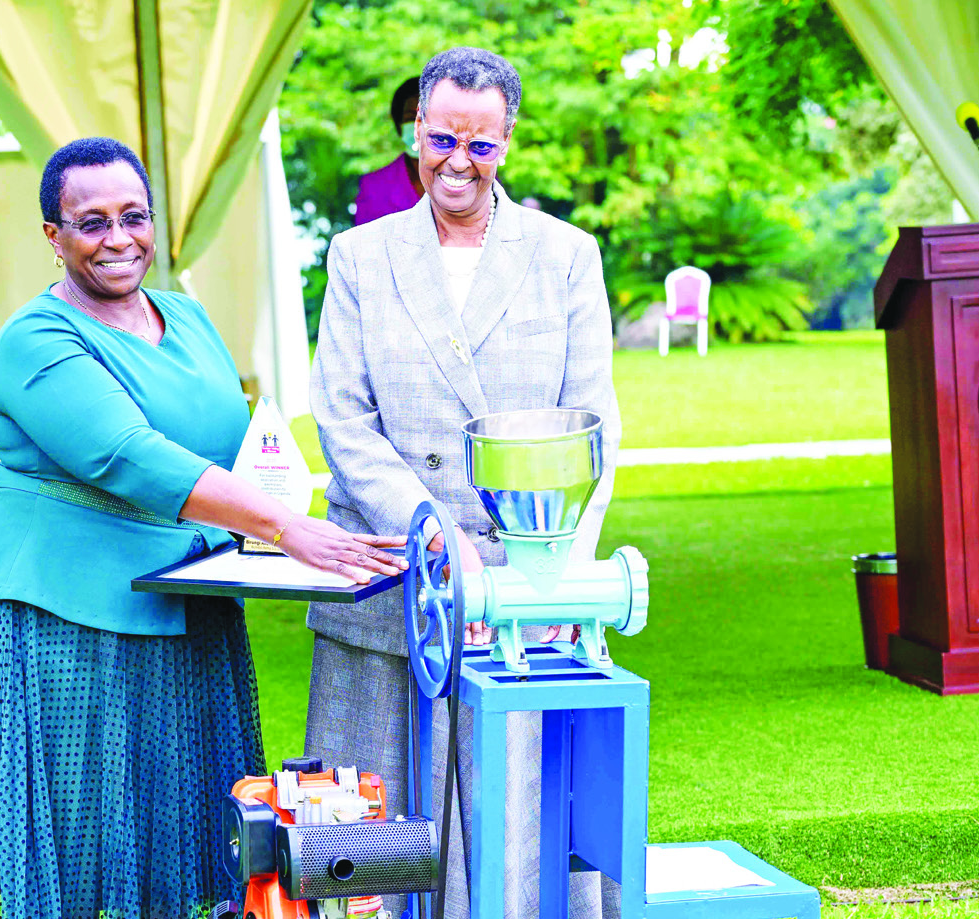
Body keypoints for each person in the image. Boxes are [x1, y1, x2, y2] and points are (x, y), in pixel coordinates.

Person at [0, 136, 406, 919]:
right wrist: (288, 528)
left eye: (134, 216)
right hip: (60, 614)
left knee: (177, 845)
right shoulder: (36, 339)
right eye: (92, 222)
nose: (118, 238)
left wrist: (272, 524)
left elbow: (232, 439)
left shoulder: (186, 315)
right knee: (80, 855)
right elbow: (129, 455)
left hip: (188, 602)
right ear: (53, 235)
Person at [306, 48, 622, 918]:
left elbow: (593, 430)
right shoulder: (358, 256)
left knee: (522, 832)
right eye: (442, 139)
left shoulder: (567, 254)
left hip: (526, 597)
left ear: (508, 142)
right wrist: (433, 536)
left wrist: (564, 574)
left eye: (480, 146)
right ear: (416, 130)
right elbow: (343, 421)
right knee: (368, 849)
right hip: (387, 588)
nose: (458, 162)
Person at [353, 76, 424, 226]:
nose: (419, 126)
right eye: (411, 117)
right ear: (398, 125)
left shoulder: (462, 177)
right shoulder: (374, 187)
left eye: (426, 117)